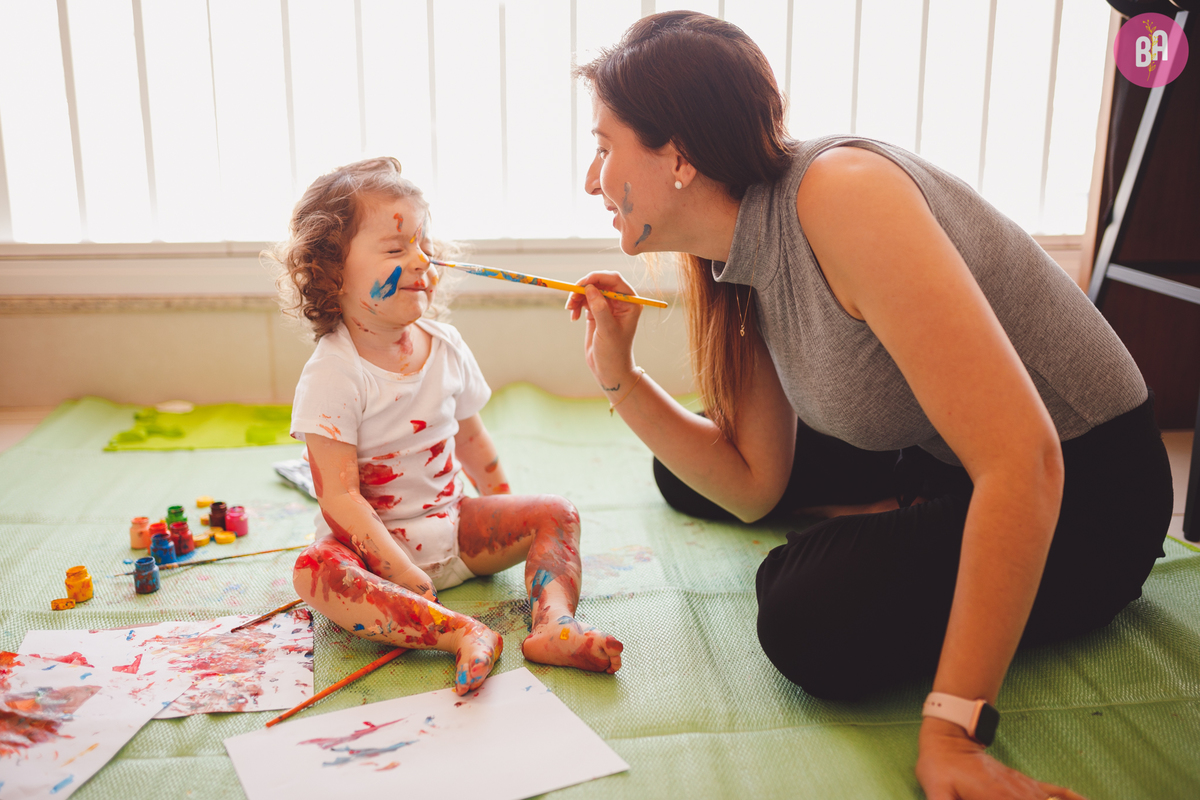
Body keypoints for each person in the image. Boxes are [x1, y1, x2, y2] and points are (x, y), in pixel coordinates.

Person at [566, 12, 1171, 800]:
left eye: (604, 147)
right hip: (936, 446)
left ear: (677, 157)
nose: (591, 179)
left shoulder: (844, 196)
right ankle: (907, 502)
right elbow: (752, 486)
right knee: (681, 471)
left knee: (802, 618)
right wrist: (619, 374)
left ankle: (905, 508)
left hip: (1088, 495)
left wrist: (952, 735)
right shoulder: (731, 250)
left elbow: (1025, 458)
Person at [271, 157, 622, 696]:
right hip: (375, 558)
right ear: (331, 274)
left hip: (456, 531)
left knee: (558, 512)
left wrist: (506, 509)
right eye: (395, 249)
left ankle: (553, 625)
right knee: (314, 570)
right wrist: (400, 571)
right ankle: (461, 634)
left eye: (424, 247)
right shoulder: (332, 373)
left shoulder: (446, 346)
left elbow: (472, 440)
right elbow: (339, 499)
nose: (421, 261)